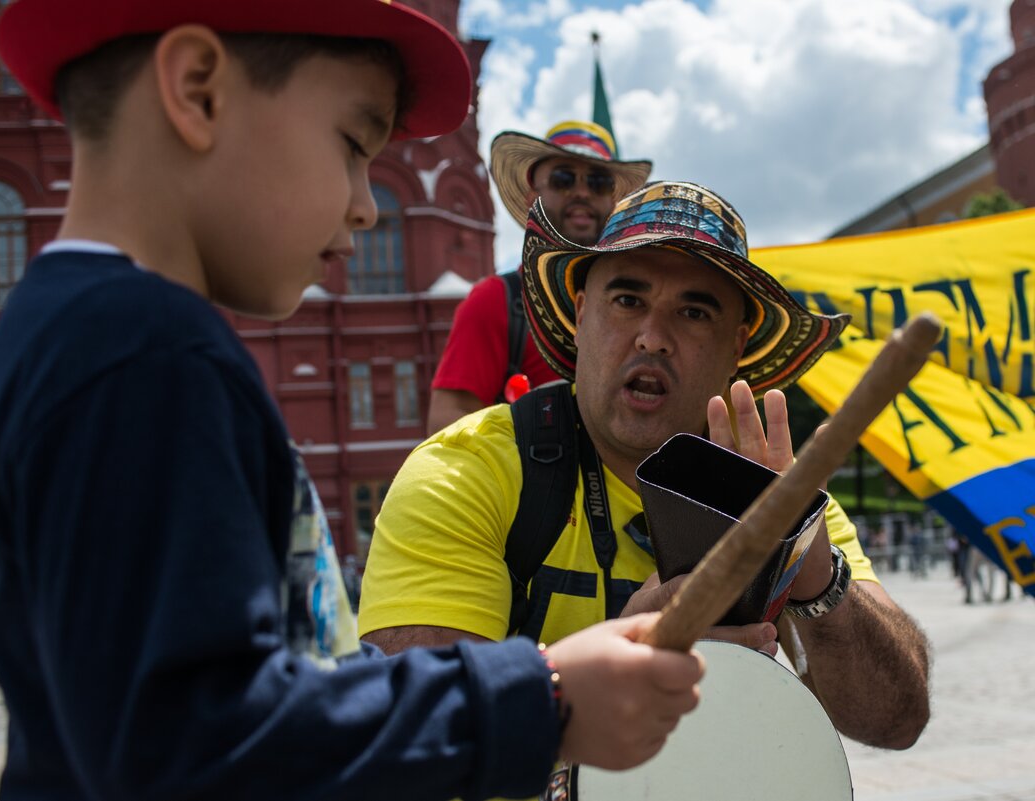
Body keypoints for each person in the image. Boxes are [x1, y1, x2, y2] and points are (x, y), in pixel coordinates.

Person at [0, 3, 707, 798]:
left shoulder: (79, 332)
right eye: (353, 145)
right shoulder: (143, 354)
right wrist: (539, 698)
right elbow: (193, 739)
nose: (366, 205)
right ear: (199, 90)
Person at [361, 181, 932, 752]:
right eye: (627, 300)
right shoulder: (465, 474)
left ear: (737, 348)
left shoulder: (769, 485)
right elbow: (416, 741)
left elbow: (897, 721)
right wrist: (615, 655)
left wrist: (813, 576)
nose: (653, 339)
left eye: (693, 312)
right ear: (581, 314)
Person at [427, 121, 652, 433]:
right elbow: (448, 429)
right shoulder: (496, 301)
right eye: (563, 179)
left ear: (613, 201)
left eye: (598, 182)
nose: (582, 192)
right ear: (532, 196)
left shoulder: (645, 299)